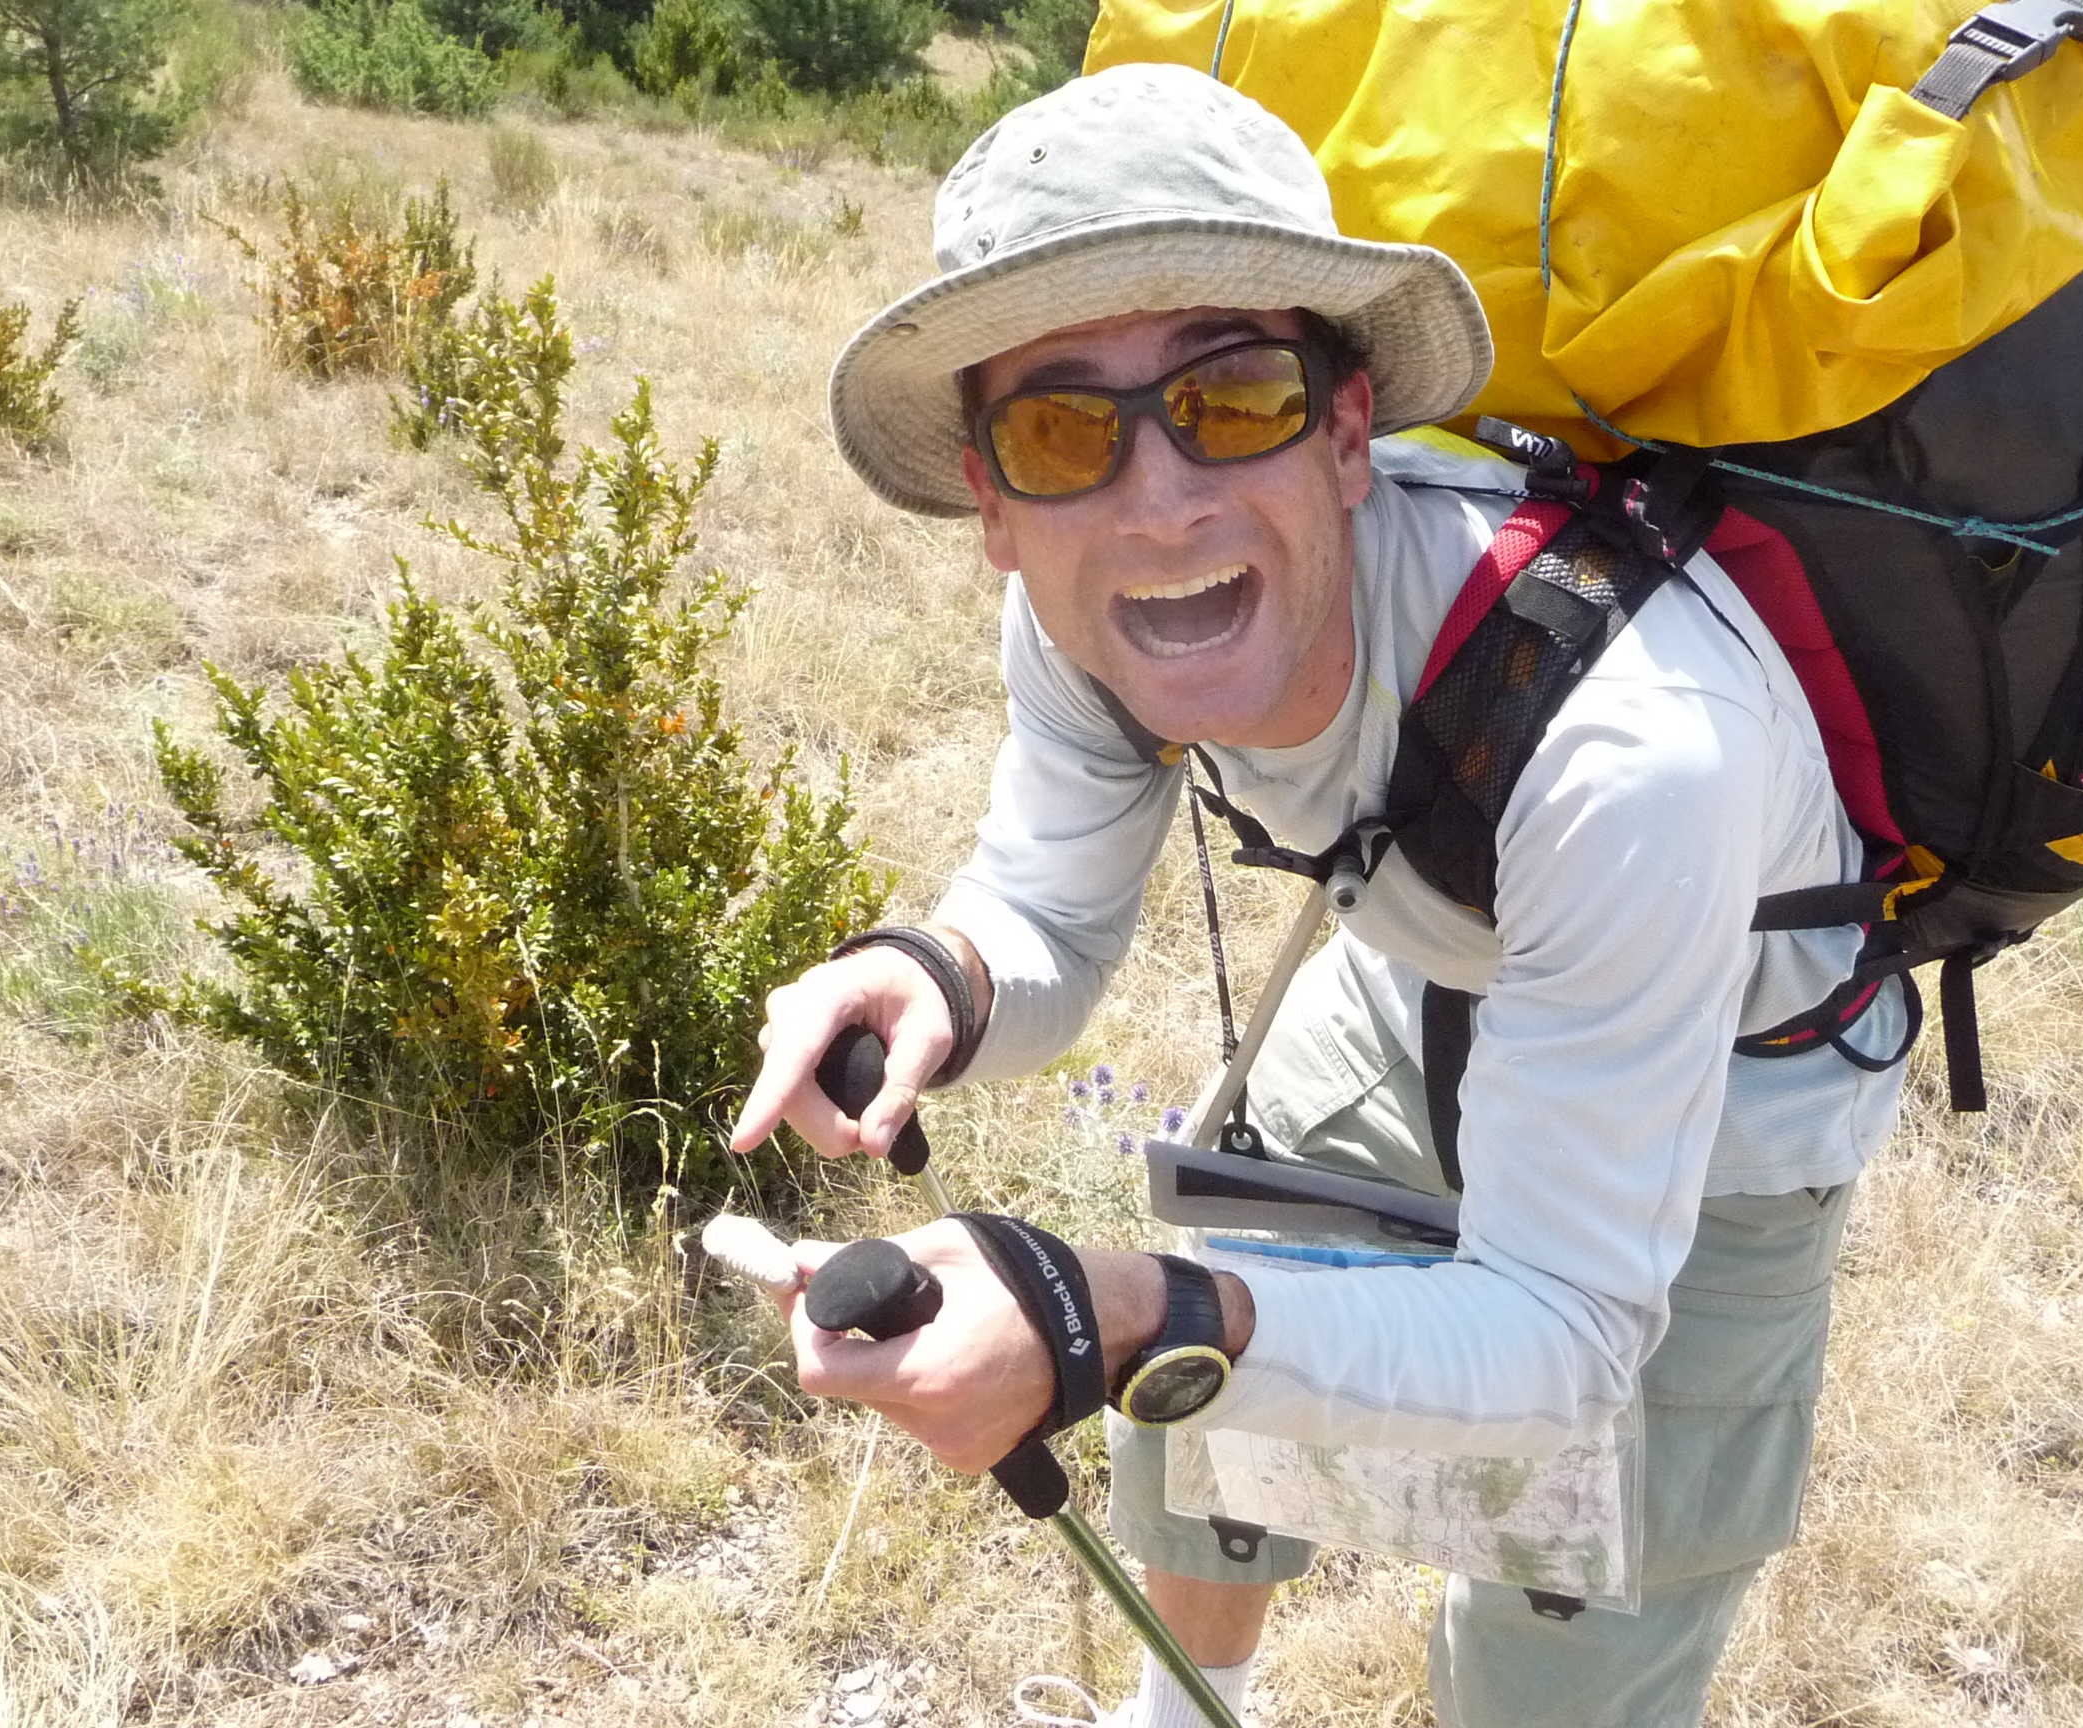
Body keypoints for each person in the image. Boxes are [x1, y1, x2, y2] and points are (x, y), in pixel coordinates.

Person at [728, 61, 1909, 1728]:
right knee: (1215, 1427)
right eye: (1063, 428)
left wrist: (1114, 1308)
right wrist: (938, 975)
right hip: (1416, 975)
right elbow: (1046, 914)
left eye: (1232, 398)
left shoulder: (1640, 753)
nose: (1159, 502)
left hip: (1720, 1092)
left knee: (1570, 1623)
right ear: (992, 505)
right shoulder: (1090, 617)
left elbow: (1565, 1334)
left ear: (1351, 427)